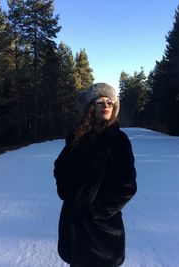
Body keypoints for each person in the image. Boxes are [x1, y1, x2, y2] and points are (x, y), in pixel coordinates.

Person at [53, 83, 137, 267]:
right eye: (100, 101)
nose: (106, 105)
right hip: (74, 227)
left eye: (110, 102)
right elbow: (60, 168)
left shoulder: (118, 140)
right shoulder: (77, 137)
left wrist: (96, 212)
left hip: (102, 232)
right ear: (90, 107)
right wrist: (67, 194)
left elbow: (127, 187)